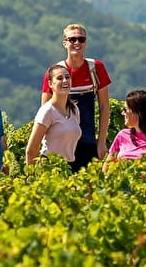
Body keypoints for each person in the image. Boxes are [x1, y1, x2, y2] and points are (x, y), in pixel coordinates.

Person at [41, 23, 111, 170]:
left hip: (87, 141)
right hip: (60, 144)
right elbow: (45, 109)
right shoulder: (55, 73)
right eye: (72, 39)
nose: (77, 43)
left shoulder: (96, 68)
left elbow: (105, 106)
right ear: (65, 43)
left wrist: (101, 141)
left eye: (81, 39)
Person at [25, 63, 81, 167]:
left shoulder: (74, 110)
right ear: (50, 84)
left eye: (67, 77)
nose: (65, 81)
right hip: (49, 167)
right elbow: (31, 150)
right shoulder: (47, 111)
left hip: (70, 166)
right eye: (60, 78)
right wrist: (31, 177)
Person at [107, 89, 146, 161]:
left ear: (138, 112)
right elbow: (107, 167)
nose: (122, 113)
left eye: (125, 109)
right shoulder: (122, 135)